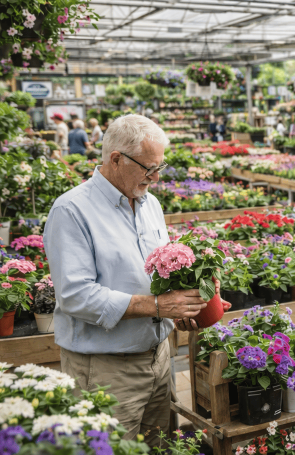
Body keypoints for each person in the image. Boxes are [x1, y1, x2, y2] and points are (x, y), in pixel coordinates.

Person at [43, 114, 231, 447]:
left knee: (158, 446)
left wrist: (182, 306)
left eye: (160, 168)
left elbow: (159, 274)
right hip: (105, 369)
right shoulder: (71, 210)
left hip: (158, 358)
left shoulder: (149, 205)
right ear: (116, 159)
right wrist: (157, 305)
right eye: (149, 168)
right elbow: (75, 295)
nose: (155, 178)